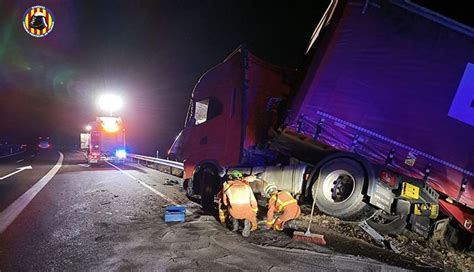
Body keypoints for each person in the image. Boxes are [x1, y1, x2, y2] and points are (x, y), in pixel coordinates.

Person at [218, 170, 258, 237]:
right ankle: (246, 232)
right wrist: (254, 211)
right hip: (246, 212)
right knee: (248, 215)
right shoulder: (247, 187)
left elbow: (225, 203)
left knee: (231, 208)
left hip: (234, 212)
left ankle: (235, 227)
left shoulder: (227, 187)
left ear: (231, 178)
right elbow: (253, 202)